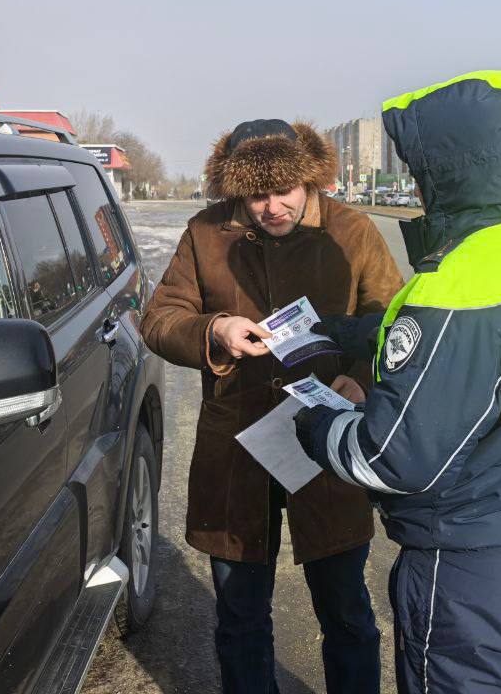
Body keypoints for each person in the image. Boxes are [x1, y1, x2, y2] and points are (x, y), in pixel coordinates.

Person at [295, 71, 501, 694]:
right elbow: (491, 356)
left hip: (476, 573)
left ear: (448, 169)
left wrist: (316, 424)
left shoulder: (463, 281)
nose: (415, 182)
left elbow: (392, 460)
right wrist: (345, 332)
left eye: (420, 168)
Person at [141, 118, 404, 694]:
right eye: (256, 195)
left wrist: (359, 379)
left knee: (346, 613)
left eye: (284, 190)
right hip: (236, 448)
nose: (272, 206)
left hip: (328, 442)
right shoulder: (204, 234)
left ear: (308, 179)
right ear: (235, 190)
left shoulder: (351, 231)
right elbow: (159, 320)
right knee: (239, 617)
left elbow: (393, 323)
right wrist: (216, 329)